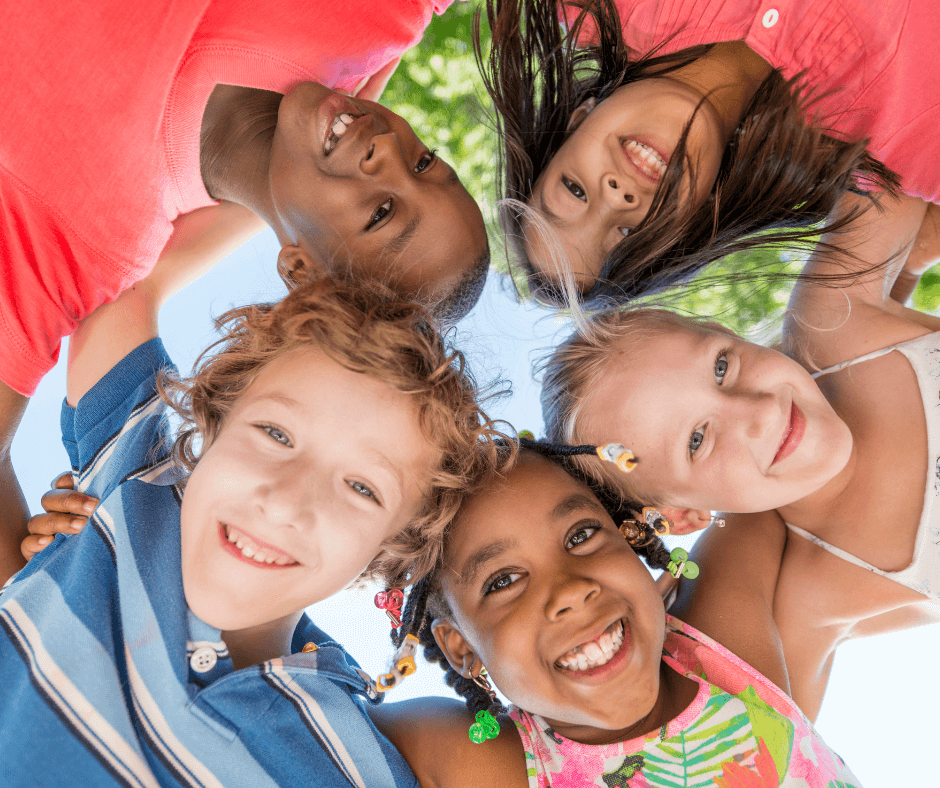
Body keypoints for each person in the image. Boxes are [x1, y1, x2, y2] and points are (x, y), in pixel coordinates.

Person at [0, 0, 490, 583]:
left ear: (303, 274)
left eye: (382, 212)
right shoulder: (373, 20)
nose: (387, 149)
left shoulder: (87, 240)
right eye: (425, 161)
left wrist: (43, 578)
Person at [0, 241, 505, 785]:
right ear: (213, 422)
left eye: (362, 488)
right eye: (275, 433)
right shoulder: (135, 481)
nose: (287, 501)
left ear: (387, 552)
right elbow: (122, 261)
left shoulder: (365, 765)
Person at [540, 188, 940, 717]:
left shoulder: (835, 326)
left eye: (723, 366)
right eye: (698, 440)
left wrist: (913, 252)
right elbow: (785, 747)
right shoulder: (816, 597)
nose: (760, 410)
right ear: (684, 516)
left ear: (725, 331)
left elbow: (903, 157)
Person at [361, 444, 861, 787]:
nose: (570, 592)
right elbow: (305, 722)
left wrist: (676, 493)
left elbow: (765, 482)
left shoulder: (719, 651)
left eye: (581, 536)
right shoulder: (493, 764)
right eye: (503, 581)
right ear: (462, 648)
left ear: (630, 536)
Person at [476, 0, 940, 309]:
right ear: (693, 226)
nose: (616, 197)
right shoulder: (904, 140)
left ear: (575, 122)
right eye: (625, 234)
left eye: (573, 190)